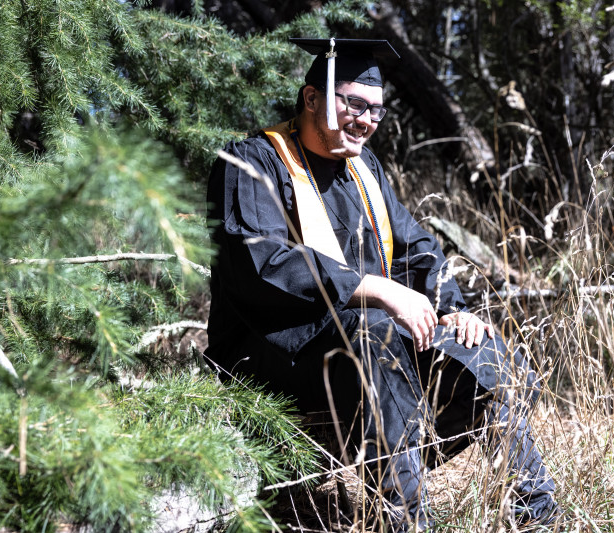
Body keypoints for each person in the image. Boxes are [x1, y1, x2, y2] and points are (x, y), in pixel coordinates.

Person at [206, 37, 560, 531]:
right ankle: (406, 520)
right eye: (354, 103)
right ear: (312, 99)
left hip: (362, 344)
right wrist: (377, 288)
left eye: (377, 110)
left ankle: (537, 513)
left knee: (481, 348)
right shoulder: (251, 161)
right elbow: (260, 262)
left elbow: (417, 249)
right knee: (378, 332)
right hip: (273, 352)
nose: (367, 119)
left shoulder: (365, 167)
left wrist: (452, 307)